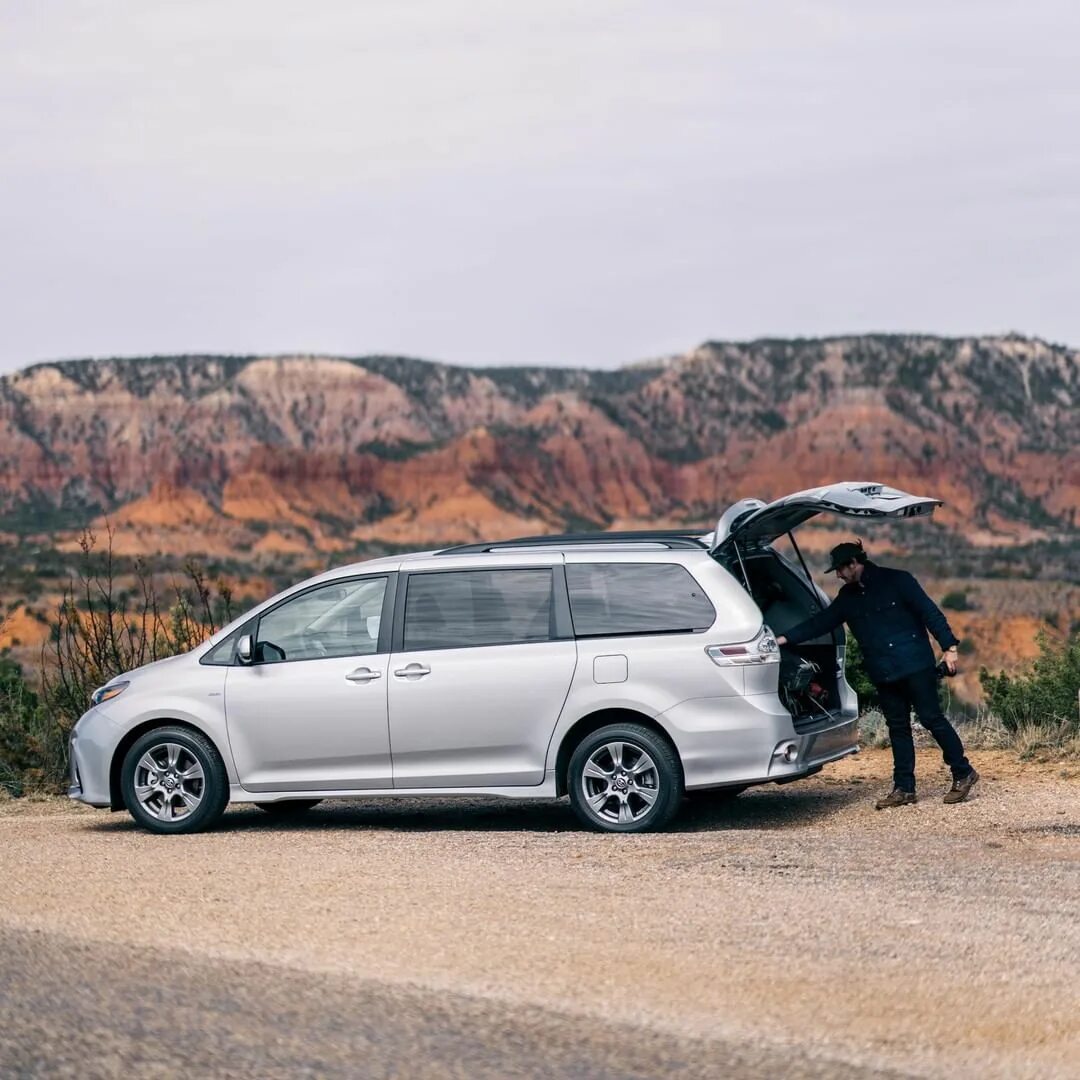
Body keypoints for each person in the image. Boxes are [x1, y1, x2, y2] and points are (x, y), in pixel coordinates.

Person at [775, 539, 978, 808]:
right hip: (884, 671)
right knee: (897, 728)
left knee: (932, 719)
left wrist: (949, 648)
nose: (838, 574)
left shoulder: (899, 581)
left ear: (854, 564)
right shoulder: (847, 598)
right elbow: (820, 623)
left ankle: (963, 772)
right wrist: (784, 639)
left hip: (915, 664)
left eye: (840, 569)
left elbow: (930, 612)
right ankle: (904, 788)